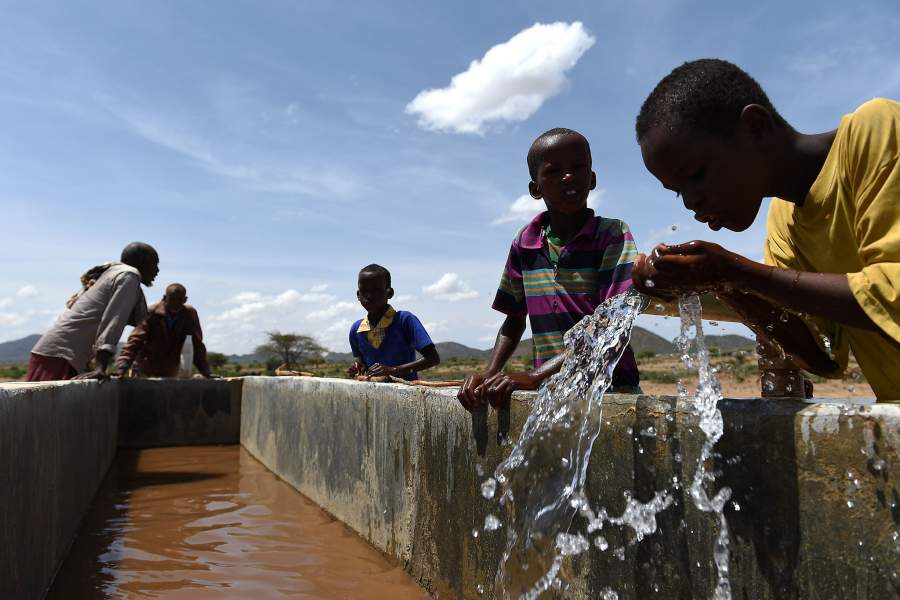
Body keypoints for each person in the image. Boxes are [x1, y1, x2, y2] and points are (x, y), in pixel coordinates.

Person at [631, 58, 900, 401]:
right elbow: (822, 356)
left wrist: (737, 273)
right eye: (678, 190)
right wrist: (722, 282)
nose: (690, 202)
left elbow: (892, 298)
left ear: (756, 126)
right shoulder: (783, 220)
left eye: (696, 174)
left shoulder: (876, 131)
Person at [458, 128, 641, 412]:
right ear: (535, 189)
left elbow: (610, 326)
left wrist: (535, 375)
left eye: (578, 167)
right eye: (554, 171)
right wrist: (491, 371)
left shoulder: (611, 235)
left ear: (591, 179)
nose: (568, 176)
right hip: (553, 391)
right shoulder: (525, 242)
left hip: (612, 389)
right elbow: (514, 320)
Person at [27, 242, 159, 382]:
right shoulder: (128, 276)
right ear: (142, 262)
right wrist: (101, 366)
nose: (157, 270)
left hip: (57, 354)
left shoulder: (114, 274)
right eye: (155, 263)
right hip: (60, 356)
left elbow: (140, 321)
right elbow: (114, 320)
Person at [347, 264, 440, 381]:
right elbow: (363, 362)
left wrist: (394, 370)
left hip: (406, 394)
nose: (369, 296)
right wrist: (358, 367)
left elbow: (433, 358)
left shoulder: (404, 320)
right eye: (364, 291)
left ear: (389, 293)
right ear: (358, 295)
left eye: (376, 290)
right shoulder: (357, 330)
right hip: (372, 395)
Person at [116, 283, 213, 378]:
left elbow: (197, 344)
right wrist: (123, 365)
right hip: (144, 368)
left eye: (179, 299)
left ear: (185, 300)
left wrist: (205, 370)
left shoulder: (189, 314)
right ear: (165, 298)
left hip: (169, 371)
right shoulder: (151, 312)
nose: (175, 303)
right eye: (172, 299)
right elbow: (135, 340)